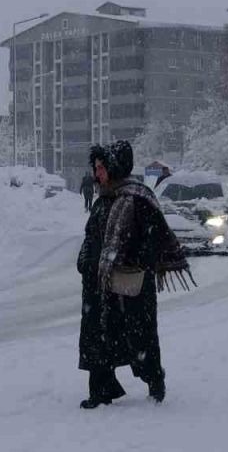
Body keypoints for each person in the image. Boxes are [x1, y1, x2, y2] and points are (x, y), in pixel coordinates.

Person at [76, 141, 192, 409]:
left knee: (139, 336)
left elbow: (155, 240)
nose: (97, 174)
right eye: (95, 168)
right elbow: (90, 236)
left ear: (114, 168)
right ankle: (101, 390)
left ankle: (154, 379)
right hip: (98, 285)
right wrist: (84, 261)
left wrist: (129, 260)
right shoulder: (103, 199)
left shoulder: (138, 199)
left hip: (132, 285)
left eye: (102, 168)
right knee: (98, 336)